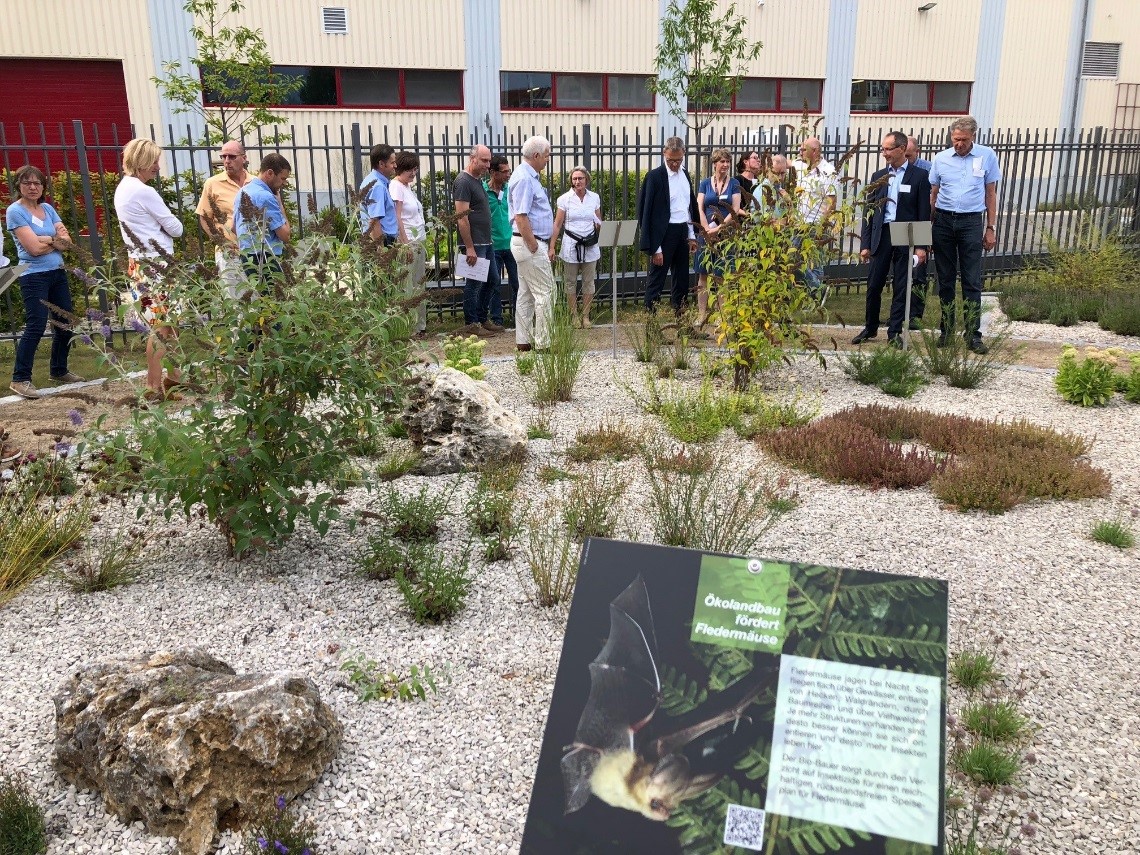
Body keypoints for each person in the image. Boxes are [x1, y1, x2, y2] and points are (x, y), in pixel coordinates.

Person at [114, 138, 186, 399]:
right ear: (142, 161)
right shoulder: (144, 191)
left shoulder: (123, 188)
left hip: (140, 264)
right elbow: (176, 228)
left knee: (171, 324)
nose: (157, 166)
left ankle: (173, 379)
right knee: (162, 327)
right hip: (157, 265)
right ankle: (153, 386)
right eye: (154, 161)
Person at [6, 165, 83, 399]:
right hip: (34, 276)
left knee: (66, 323)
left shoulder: (48, 209)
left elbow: (67, 242)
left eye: (37, 183)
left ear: (43, 186)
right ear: (18, 186)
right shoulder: (15, 212)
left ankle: (59, 370)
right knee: (36, 325)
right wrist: (53, 240)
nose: (32, 187)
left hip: (57, 273)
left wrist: (46, 239)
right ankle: (20, 379)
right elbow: (32, 249)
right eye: (27, 183)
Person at [929, 116, 1001, 353]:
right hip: (943, 220)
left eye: (963, 140)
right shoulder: (940, 158)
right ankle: (946, 331)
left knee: (971, 280)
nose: (958, 144)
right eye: (955, 139)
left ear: (973, 137)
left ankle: (973, 335)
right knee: (946, 280)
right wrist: (930, 225)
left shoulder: (986, 156)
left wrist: (990, 227)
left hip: (971, 221)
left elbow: (990, 193)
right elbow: (933, 193)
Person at [853, 131, 932, 346]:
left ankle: (894, 332)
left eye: (888, 149)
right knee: (874, 283)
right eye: (883, 149)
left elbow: (923, 212)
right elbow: (869, 212)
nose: (884, 153)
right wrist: (866, 244)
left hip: (904, 231)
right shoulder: (878, 176)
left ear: (902, 149)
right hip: (882, 233)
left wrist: (921, 246)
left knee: (901, 284)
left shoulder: (919, 177)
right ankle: (870, 328)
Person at [636, 136, 698, 314]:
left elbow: (687, 207)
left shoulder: (685, 174)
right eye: (671, 160)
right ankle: (652, 328)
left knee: (682, 281)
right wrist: (655, 248)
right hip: (664, 234)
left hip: (682, 231)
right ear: (664, 154)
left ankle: (683, 326)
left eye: (678, 160)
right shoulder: (654, 177)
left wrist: (692, 234)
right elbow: (645, 213)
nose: (674, 164)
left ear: (684, 155)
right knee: (656, 281)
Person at [509, 135, 556, 352]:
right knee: (546, 292)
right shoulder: (525, 179)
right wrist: (534, 245)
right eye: (546, 155)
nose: (548, 159)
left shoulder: (527, 177)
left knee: (526, 292)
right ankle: (544, 343)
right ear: (536, 155)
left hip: (527, 243)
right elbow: (521, 216)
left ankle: (524, 340)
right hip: (530, 243)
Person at [454, 144, 504, 336]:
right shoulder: (463, 182)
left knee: (492, 279)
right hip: (475, 244)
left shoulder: (476, 181)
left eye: (489, 160)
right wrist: (469, 247)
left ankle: (482, 319)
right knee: (474, 283)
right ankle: (471, 323)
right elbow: (462, 217)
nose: (488, 164)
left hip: (486, 242)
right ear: (472, 159)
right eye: (484, 160)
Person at [194, 139, 252, 299]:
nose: (226, 161)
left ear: (244, 158)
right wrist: (221, 242)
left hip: (254, 251)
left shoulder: (255, 183)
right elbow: (204, 217)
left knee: (257, 299)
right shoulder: (213, 184)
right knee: (233, 301)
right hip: (229, 253)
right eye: (224, 157)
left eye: (232, 157)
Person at [695, 148, 743, 328]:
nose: (725, 165)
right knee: (703, 274)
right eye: (722, 161)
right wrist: (705, 228)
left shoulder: (734, 183)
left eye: (727, 162)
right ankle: (701, 314)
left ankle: (721, 315)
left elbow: (736, 210)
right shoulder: (705, 183)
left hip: (725, 234)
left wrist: (718, 229)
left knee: (721, 275)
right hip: (705, 234)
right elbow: (699, 206)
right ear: (714, 163)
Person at [551, 166, 602, 327]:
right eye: (574, 179)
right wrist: (552, 246)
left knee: (589, 282)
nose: (577, 181)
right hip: (571, 244)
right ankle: (574, 316)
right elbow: (557, 224)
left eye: (580, 178)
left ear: (586, 180)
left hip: (589, 244)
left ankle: (586, 316)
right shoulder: (564, 199)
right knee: (570, 281)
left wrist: (597, 227)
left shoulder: (594, 197)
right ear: (571, 181)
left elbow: (598, 222)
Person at [233, 153, 291, 281]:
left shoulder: (242, 191)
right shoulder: (266, 197)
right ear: (270, 173)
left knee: (262, 298)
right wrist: (280, 203)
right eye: (282, 178)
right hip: (266, 258)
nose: (284, 183)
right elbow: (286, 235)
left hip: (247, 256)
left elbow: (234, 228)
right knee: (276, 299)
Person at [791, 137, 837, 300]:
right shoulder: (798, 166)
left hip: (816, 223)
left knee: (813, 260)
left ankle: (817, 293)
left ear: (815, 151)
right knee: (794, 257)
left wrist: (822, 226)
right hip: (798, 222)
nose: (799, 152)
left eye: (803, 149)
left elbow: (832, 202)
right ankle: (818, 290)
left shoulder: (828, 171)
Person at [390, 150, 428, 338]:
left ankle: (419, 326)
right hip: (409, 243)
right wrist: (404, 244)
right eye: (409, 170)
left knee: (419, 284)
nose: (413, 173)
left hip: (418, 240)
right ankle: (409, 327)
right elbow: (397, 217)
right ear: (400, 169)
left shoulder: (407, 187)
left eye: (415, 169)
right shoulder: (396, 186)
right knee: (409, 286)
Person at [485, 154, 517, 320]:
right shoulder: (483, 191)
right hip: (493, 245)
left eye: (508, 171)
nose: (508, 175)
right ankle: (496, 318)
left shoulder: (510, 189)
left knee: (518, 282)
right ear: (493, 172)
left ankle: (519, 317)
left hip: (511, 243)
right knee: (494, 284)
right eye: (504, 172)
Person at [905, 136, 932, 305]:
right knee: (902, 272)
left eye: (908, 156)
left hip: (922, 222)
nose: (905, 160)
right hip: (903, 225)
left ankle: (915, 314)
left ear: (917, 152)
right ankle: (900, 313)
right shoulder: (895, 169)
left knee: (919, 272)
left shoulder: (928, 170)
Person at [360, 144, 397, 245]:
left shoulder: (372, 180)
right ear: (381, 164)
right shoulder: (378, 186)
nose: (395, 166)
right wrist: (381, 251)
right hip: (383, 240)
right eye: (392, 162)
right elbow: (374, 222)